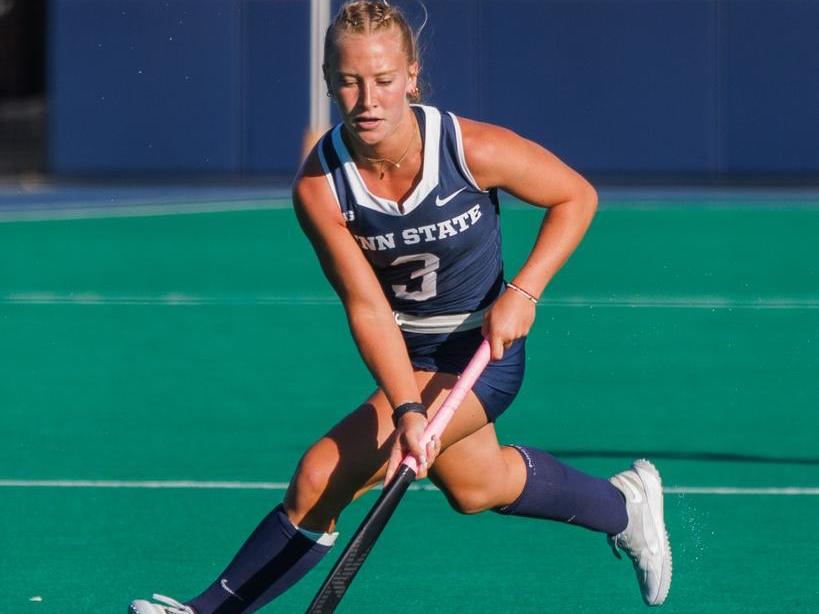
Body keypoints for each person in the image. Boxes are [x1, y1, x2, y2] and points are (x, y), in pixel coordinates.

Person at [129, 2, 671, 612]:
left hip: (481, 352)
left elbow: (575, 196)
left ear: (411, 77)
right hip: (405, 353)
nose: (368, 100)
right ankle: (624, 506)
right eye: (351, 81)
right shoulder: (321, 187)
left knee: (318, 479)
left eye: (384, 81)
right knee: (476, 486)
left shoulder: (471, 149)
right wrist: (408, 407)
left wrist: (523, 292)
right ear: (329, 80)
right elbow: (366, 307)